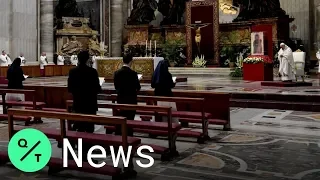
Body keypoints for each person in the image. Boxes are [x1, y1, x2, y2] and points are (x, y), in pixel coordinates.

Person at [68, 50, 101, 161]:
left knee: (79, 128)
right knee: (89, 130)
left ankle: (77, 153)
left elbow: (70, 89)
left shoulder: (72, 71)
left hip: (78, 103)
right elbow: (97, 89)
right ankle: (86, 155)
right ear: (88, 59)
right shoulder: (92, 72)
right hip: (90, 104)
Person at [114, 53, 141, 136]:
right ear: (131, 61)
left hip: (121, 99)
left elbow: (116, 86)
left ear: (123, 61)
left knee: (121, 117)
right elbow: (138, 87)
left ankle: (120, 136)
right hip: (131, 100)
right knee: (130, 119)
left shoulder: (117, 73)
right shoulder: (133, 73)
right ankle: (129, 136)